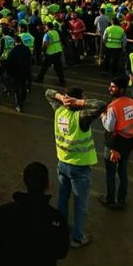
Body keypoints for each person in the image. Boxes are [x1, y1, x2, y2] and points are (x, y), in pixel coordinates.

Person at [45, 86, 106, 247]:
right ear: (76, 100)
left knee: (63, 199)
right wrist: (80, 102)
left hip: (62, 163)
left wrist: (60, 97)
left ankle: (61, 229)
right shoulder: (81, 116)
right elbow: (101, 105)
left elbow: (48, 93)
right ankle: (78, 238)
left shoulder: (59, 111)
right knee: (80, 204)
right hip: (79, 167)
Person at [98, 76, 133, 210]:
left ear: (121, 89)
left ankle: (110, 199)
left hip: (114, 144)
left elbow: (109, 127)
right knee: (123, 172)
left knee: (110, 173)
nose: (109, 89)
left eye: (113, 87)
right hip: (128, 143)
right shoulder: (131, 102)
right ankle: (121, 199)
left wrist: (103, 117)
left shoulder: (113, 106)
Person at [6, 35, 32, 113]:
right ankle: (22, 100)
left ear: (15, 42)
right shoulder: (26, 49)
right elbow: (29, 60)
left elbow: (9, 63)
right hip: (25, 71)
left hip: (15, 72)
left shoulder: (13, 51)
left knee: (17, 89)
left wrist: (9, 73)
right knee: (24, 87)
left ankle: (19, 105)